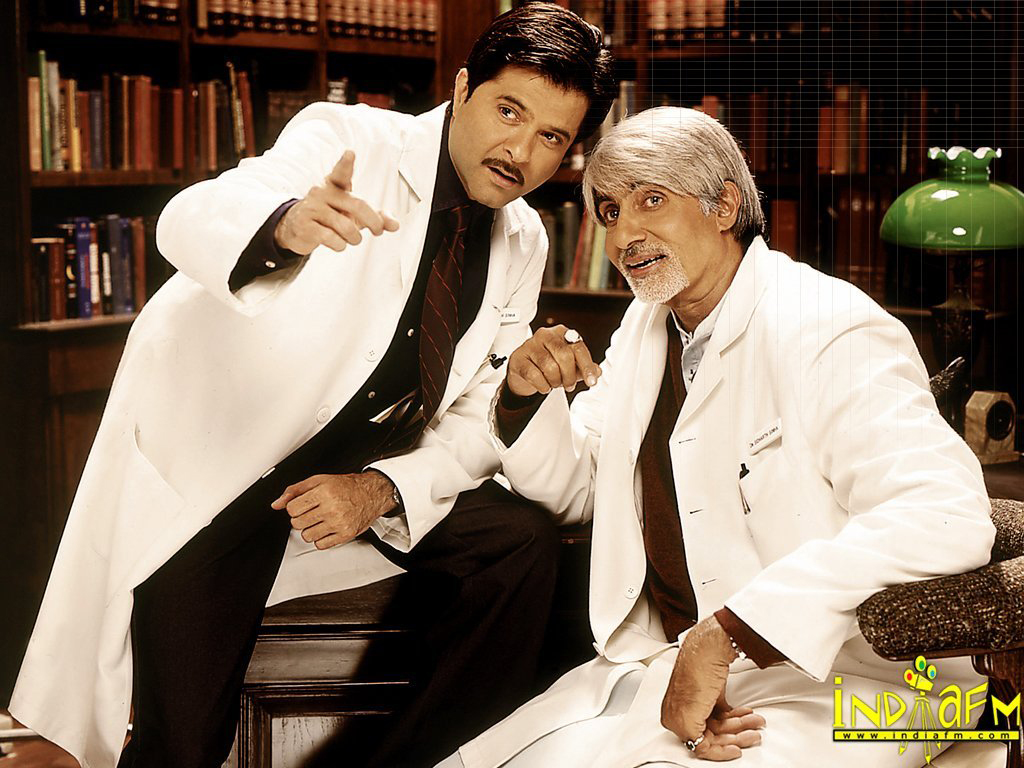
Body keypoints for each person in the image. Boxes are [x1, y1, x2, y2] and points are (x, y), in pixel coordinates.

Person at [9, 5, 615, 767]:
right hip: (232, 474)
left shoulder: (523, 237)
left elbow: (472, 411)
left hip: (360, 470)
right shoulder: (348, 138)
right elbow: (190, 216)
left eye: (552, 137)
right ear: (463, 88)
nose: (519, 152)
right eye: (508, 111)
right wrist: (285, 226)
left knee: (519, 546)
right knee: (184, 744)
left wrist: (382, 488)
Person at [442, 106, 997, 767]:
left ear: (726, 205)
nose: (625, 236)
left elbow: (944, 516)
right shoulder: (647, 325)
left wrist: (732, 631)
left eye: (652, 200)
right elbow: (583, 489)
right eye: (611, 211)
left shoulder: (831, 328)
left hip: (852, 680)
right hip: (670, 664)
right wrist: (524, 397)